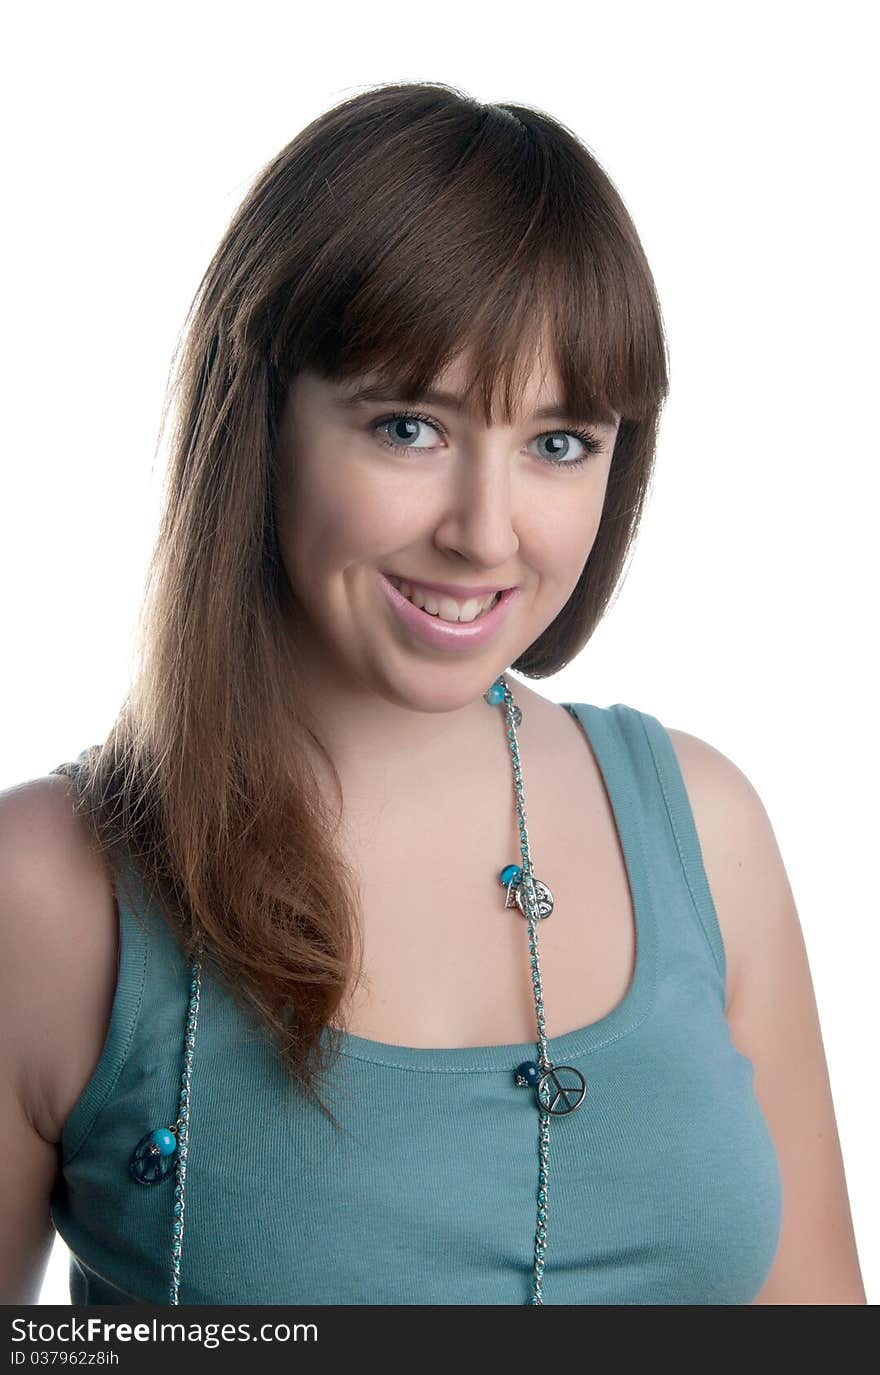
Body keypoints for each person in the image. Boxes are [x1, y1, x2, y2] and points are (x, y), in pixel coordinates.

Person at [0, 81, 867, 1308]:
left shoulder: (704, 827)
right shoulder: (49, 888)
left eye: (559, 443)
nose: (484, 531)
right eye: (409, 427)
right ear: (259, 421)